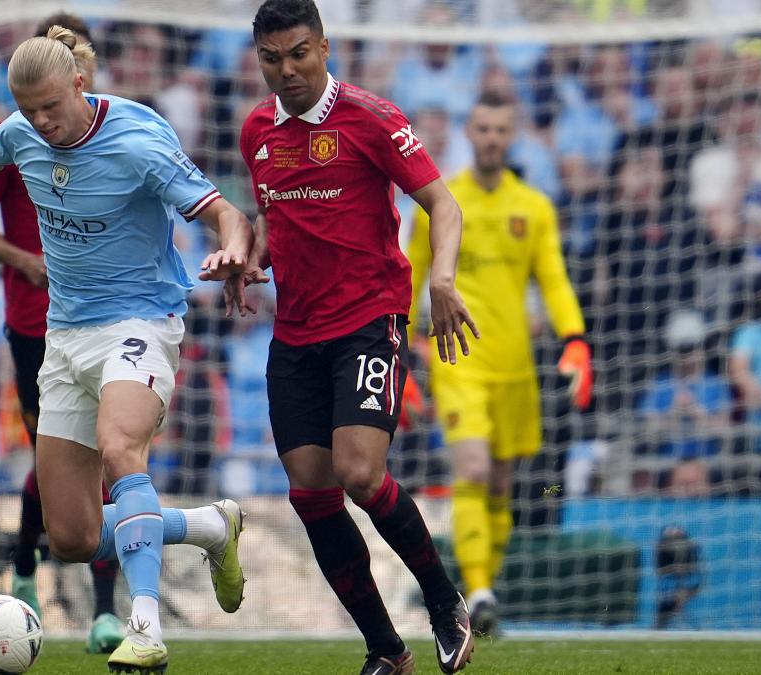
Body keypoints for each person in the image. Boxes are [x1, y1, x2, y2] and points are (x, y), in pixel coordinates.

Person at [0, 26, 251, 674]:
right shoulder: (25, 131)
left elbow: (224, 210)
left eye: (51, 107)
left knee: (121, 449)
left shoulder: (140, 142)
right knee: (73, 535)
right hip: (66, 337)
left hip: (141, 321)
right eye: (28, 111)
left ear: (80, 84)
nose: (41, 122)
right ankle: (205, 526)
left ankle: (145, 626)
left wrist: (231, 250)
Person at [238, 2, 478, 673]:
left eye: (299, 53)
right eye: (271, 58)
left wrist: (443, 278)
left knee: (360, 471)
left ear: (324, 46)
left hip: (370, 320)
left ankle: (441, 597)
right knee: (311, 493)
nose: (287, 71)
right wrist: (250, 259)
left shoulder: (372, 117)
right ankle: (385, 648)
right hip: (295, 333)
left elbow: (443, 203)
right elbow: (273, 218)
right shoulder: (255, 130)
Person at [0, 13, 127, 654]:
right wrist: (23, 261)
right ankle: (29, 572)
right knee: (57, 462)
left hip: (106, 322)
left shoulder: (114, 136)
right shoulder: (19, 141)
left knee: (109, 459)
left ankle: (103, 610)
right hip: (36, 327)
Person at [408, 91, 593, 639]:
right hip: (457, 360)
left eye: (500, 130)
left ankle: (485, 586)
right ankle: (481, 590)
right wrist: (397, 345)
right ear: (469, 133)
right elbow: (413, 272)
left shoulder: (532, 207)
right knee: (472, 471)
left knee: (500, 486)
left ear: (511, 136)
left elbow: (554, 279)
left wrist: (575, 339)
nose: (491, 138)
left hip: (516, 368)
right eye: (482, 128)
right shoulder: (443, 202)